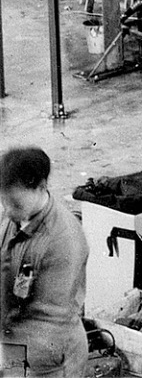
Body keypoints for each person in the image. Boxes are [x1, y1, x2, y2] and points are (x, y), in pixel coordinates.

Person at [0, 148, 88, 378]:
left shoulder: (63, 240)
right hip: (14, 347)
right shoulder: (13, 218)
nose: (8, 212)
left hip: (50, 359)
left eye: (16, 205)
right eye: (4, 202)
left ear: (40, 188)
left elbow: (49, 320)